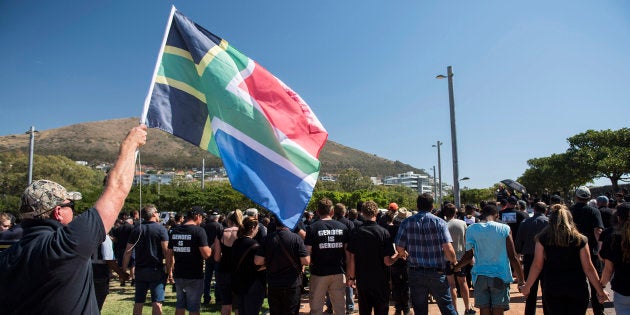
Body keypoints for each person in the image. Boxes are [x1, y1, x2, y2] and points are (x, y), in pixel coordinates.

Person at [0, 124, 147, 314]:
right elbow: (116, 191)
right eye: (72, 206)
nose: (75, 213)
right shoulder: (63, 245)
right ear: (58, 212)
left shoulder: (7, 257)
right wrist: (130, 145)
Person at [520, 204, 608, 314]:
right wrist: (600, 291)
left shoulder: (542, 238)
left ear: (550, 220)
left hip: (553, 287)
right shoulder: (580, 239)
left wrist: (527, 286)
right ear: (570, 219)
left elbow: (537, 265)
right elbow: (588, 268)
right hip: (577, 287)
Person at [455, 203, 525, 315]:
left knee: (484, 309)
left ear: (482, 214)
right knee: (498, 309)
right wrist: (521, 280)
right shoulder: (504, 229)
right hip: (500, 276)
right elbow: (513, 256)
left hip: (480, 276)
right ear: (497, 215)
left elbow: (468, 256)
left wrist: (456, 267)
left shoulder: (472, 229)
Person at [395, 193, 458, 315]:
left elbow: (399, 247)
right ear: (432, 206)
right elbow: (447, 247)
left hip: (415, 272)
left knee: (419, 309)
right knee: (447, 307)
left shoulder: (406, 222)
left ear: (417, 206)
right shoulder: (440, 223)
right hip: (437, 272)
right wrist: (453, 261)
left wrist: (404, 254)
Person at [346, 200, 399, 315]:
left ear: (362, 213)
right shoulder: (384, 232)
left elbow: (351, 258)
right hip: (381, 282)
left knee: (364, 311)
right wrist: (398, 255)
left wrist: (351, 278)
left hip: (363, 281)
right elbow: (387, 261)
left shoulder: (356, 232)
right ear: (376, 213)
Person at [255, 215, 310, 315]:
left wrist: (269, 260)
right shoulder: (296, 238)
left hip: (274, 283)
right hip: (292, 283)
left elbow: (258, 261)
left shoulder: (267, 239)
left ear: (275, 223)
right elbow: (306, 261)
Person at [304, 198, 350, 315]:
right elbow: (348, 254)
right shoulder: (343, 228)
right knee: (340, 309)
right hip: (338, 273)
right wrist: (349, 273)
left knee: (316, 308)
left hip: (319, 273)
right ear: (332, 212)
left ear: (318, 212)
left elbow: (307, 252)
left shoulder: (312, 228)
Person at [124, 204, 170, 315]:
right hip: (156, 269)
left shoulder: (137, 229)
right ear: (154, 213)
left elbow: (128, 251)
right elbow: (166, 251)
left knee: (139, 301)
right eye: (157, 212)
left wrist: (123, 269)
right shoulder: (161, 229)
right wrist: (169, 270)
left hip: (140, 269)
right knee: (157, 301)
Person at [166, 206, 212, 315]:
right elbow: (206, 255)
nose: (202, 220)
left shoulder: (175, 230)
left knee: (180, 304)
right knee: (194, 307)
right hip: (194, 275)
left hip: (179, 274)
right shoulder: (199, 231)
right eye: (202, 217)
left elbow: (169, 255)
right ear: (197, 216)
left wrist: (170, 273)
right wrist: (213, 247)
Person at [570, 186, 605, 315]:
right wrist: (600, 250)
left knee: (576, 284)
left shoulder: (569, 211)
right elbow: (598, 231)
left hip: (572, 252)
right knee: (596, 283)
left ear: (576, 197)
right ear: (589, 197)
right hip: (591, 252)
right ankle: (598, 311)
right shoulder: (594, 211)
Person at [514, 201, 549, 315]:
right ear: (546, 210)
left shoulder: (525, 222)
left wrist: (518, 255)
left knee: (530, 291)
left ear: (534, 210)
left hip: (530, 259)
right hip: (547, 259)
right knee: (547, 290)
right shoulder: (550, 223)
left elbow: (519, 242)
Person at [443, 203, 475, 315]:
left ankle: (454, 310)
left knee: (451, 285)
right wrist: (471, 257)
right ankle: (467, 308)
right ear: (455, 212)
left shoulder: (442, 224)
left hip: (446, 258)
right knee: (463, 282)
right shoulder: (462, 223)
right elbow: (467, 241)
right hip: (461, 259)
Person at [231, 216, 265, 315]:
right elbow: (258, 265)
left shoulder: (236, 243)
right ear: (252, 228)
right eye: (257, 227)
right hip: (252, 285)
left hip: (238, 284)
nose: (258, 229)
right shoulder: (255, 245)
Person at [600, 202, 630, 314]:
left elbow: (608, 269)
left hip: (623, 289)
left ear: (618, 217)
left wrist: (601, 286)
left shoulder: (612, 238)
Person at [213, 209, 243, 315]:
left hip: (223, 271)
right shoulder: (242, 232)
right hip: (239, 272)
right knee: (239, 305)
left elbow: (216, 257)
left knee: (226, 304)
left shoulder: (221, 233)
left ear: (228, 220)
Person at [92, 234, 128, 311]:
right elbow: (109, 260)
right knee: (96, 306)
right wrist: (121, 274)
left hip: (83, 274)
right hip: (99, 274)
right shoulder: (104, 237)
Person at [202, 210, 223, 305]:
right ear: (217, 217)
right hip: (217, 255)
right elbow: (220, 240)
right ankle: (218, 298)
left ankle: (206, 297)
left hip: (208, 254)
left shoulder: (206, 226)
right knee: (218, 278)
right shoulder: (219, 226)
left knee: (207, 278)